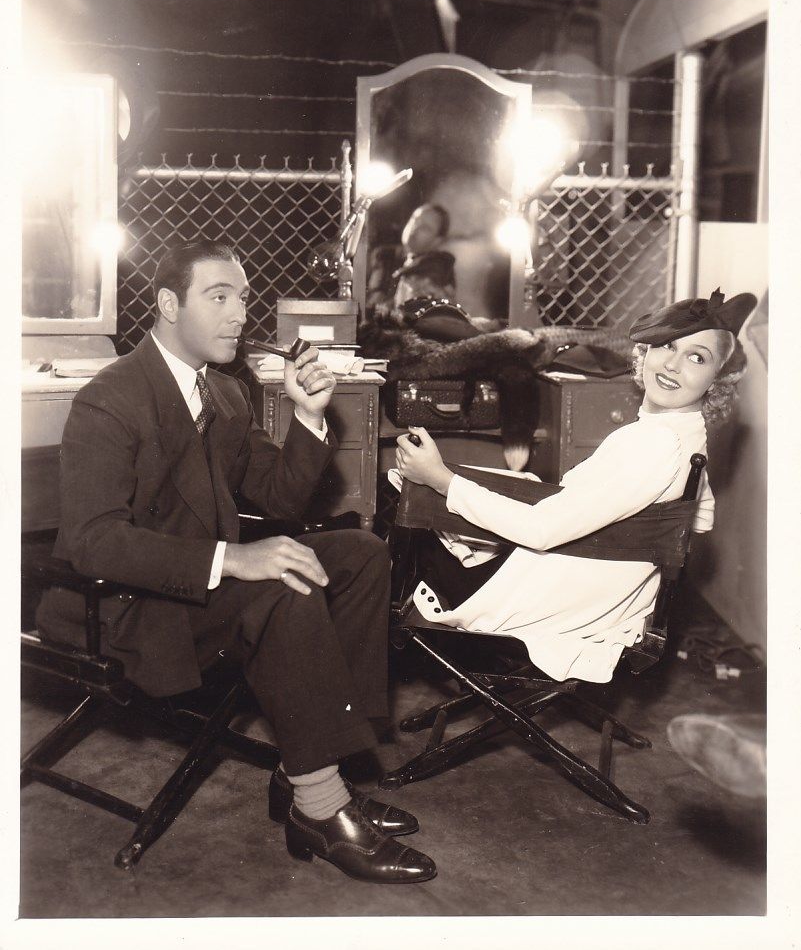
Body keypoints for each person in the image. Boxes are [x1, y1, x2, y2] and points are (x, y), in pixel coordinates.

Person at [37, 240, 436, 884]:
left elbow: (277, 496)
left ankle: (314, 765)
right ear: (169, 305)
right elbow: (93, 541)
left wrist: (308, 416)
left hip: (193, 592)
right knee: (280, 583)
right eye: (218, 297)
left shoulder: (223, 395)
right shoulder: (111, 398)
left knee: (360, 555)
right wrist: (233, 558)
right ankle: (320, 806)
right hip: (123, 608)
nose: (238, 314)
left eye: (242, 298)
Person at [393, 288, 757, 684]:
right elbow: (700, 517)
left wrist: (441, 479)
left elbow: (542, 530)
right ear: (646, 351)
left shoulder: (655, 443)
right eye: (668, 345)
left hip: (543, 601)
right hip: (590, 592)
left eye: (697, 357)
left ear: (716, 380)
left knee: (396, 512)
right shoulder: (687, 435)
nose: (672, 364)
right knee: (452, 492)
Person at [366, 202, 450, 310]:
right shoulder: (383, 254)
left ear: (437, 241)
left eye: (425, 228)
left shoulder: (441, 267)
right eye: (415, 220)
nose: (415, 228)